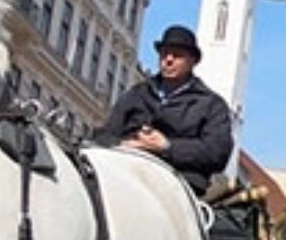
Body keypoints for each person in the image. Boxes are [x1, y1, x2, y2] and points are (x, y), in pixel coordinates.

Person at [96, 24, 234, 195]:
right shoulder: (137, 93)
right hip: (125, 171)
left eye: (177, 55)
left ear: (193, 61)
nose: (168, 59)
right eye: (164, 54)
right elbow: (105, 133)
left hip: (179, 183)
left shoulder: (211, 104)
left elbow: (217, 153)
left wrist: (167, 147)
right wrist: (124, 145)